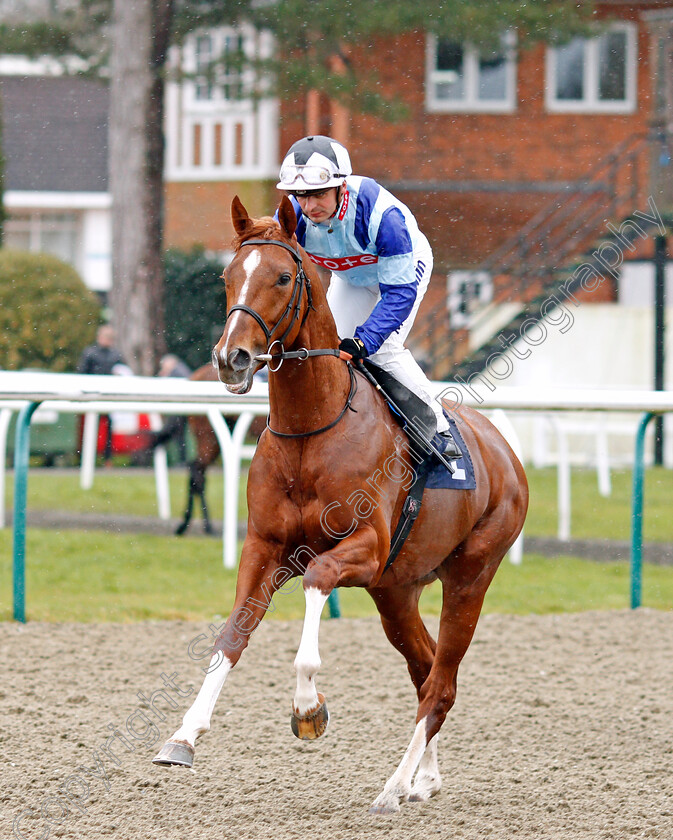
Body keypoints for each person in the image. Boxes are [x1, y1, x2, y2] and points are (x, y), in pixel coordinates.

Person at [276, 134, 460, 464]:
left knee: (382, 348)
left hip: (403, 273)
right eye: (301, 195)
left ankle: (438, 429)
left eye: (318, 194)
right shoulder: (291, 215)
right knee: (328, 347)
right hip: (353, 279)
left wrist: (364, 341)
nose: (309, 206)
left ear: (341, 187)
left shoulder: (384, 218)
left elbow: (399, 294)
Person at [77, 324, 125, 464]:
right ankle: (85, 458)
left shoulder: (116, 354)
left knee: (109, 428)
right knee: (89, 428)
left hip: (109, 396)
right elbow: (82, 372)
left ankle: (107, 458)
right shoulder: (90, 353)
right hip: (91, 396)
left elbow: (122, 372)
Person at [147, 354, 192, 463]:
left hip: (179, 409)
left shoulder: (177, 372)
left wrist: (165, 377)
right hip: (182, 408)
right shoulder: (181, 369)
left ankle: (148, 452)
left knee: (169, 433)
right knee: (178, 435)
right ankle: (181, 460)